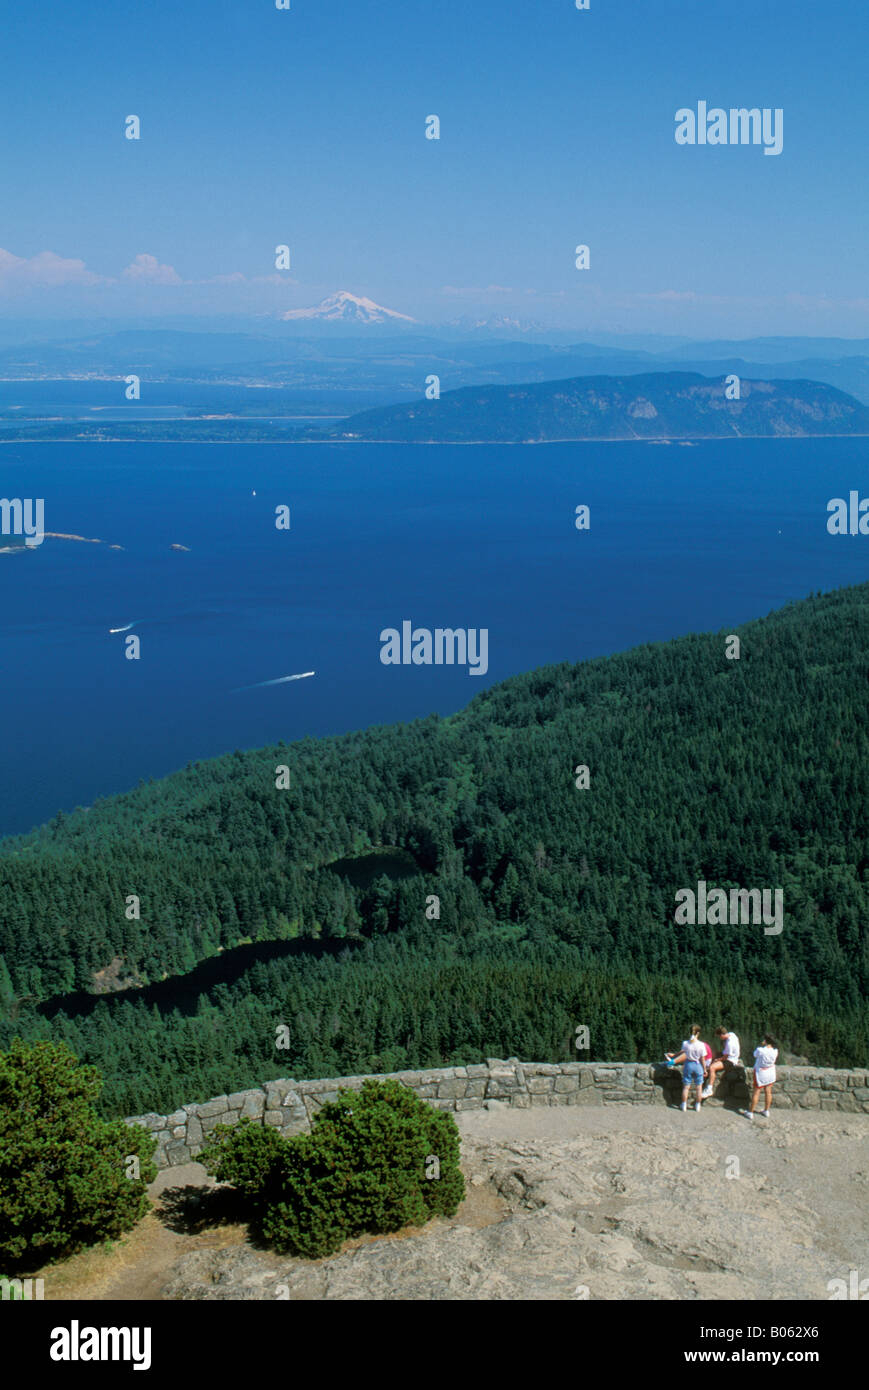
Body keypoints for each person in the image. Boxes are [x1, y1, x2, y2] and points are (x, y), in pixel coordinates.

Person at [665, 1024, 708, 1112]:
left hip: (688, 1065)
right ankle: (697, 1106)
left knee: (686, 1087)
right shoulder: (701, 1045)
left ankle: (684, 1105)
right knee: (699, 1087)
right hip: (697, 1065)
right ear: (698, 1033)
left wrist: (673, 1056)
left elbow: (682, 1053)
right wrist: (705, 1069)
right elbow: (703, 1059)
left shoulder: (685, 1043)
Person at [744, 1034, 778, 1119]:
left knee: (756, 1092)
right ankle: (766, 1111)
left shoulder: (761, 1050)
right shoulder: (775, 1051)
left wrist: (762, 1045)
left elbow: (755, 1055)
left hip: (761, 1072)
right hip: (770, 1072)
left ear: (765, 1041)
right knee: (768, 1091)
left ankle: (750, 1112)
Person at [702, 1026, 741, 1098]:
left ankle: (709, 1089)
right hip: (729, 1056)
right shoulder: (732, 1034)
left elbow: (725, 1057)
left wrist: (717, 1060)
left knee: (712, 1068)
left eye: (719, 1037)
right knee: (712, 1053)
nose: (720, 1039)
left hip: (730, 1061)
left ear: (722, 1035)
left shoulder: (730, 1043)